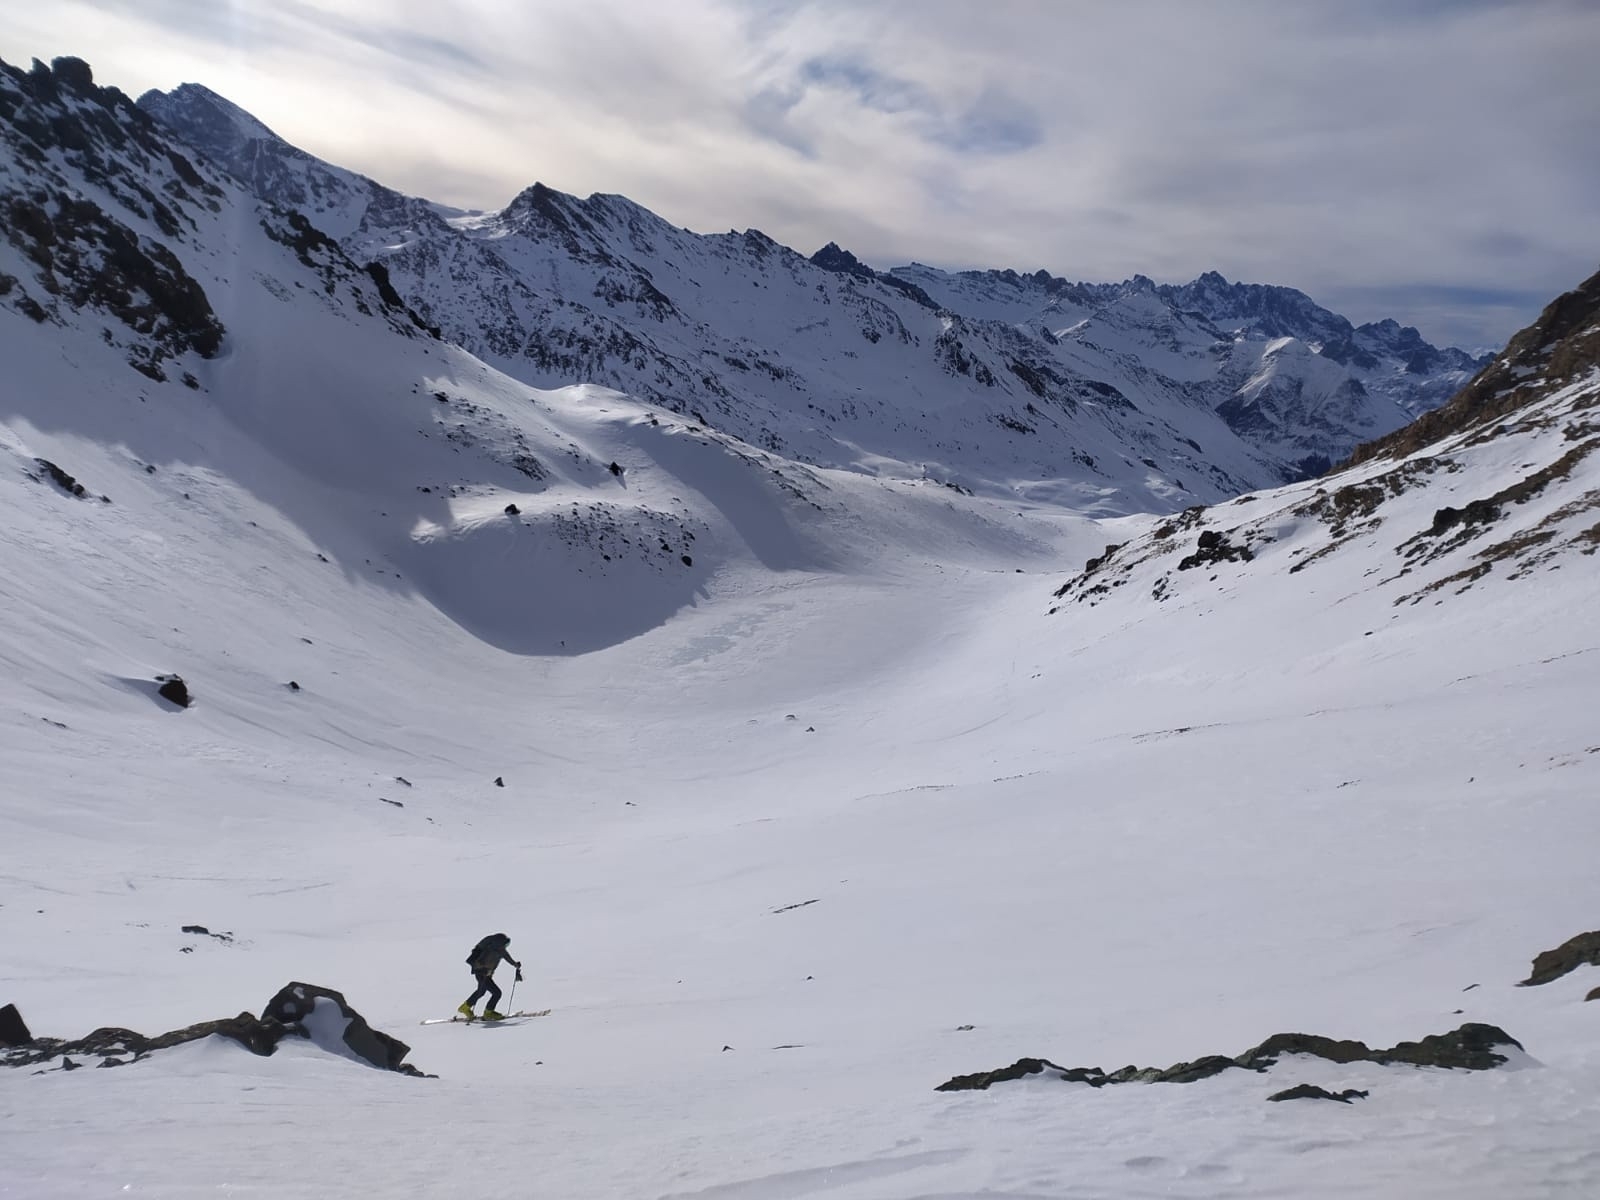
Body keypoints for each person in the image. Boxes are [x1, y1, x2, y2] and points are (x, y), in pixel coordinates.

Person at [459, 933, 522, 1021]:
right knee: (497, 993)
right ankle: (488, 1013)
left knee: (481, 991)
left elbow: (507, 957)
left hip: (486, 974)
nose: (506, 946)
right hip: (481, 974)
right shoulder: (488, 951)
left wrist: (515, 964)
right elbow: (478, 963)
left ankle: (465, 1007)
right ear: (499, 943)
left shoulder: (500, 950)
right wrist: (484, 970)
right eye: (505, 944)